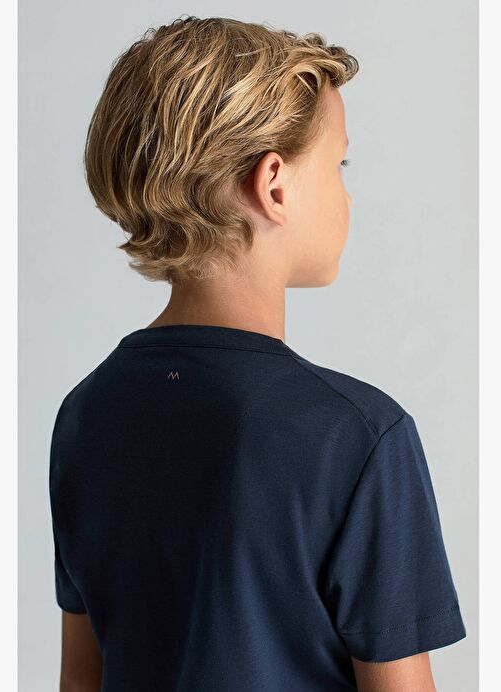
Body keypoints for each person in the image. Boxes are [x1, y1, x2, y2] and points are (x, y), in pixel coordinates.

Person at [49, 15, 467, 692]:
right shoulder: (357, 435)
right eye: (338, 164)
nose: (346, 193)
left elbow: (80, 680)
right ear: (274, 184)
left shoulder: (87, 413)